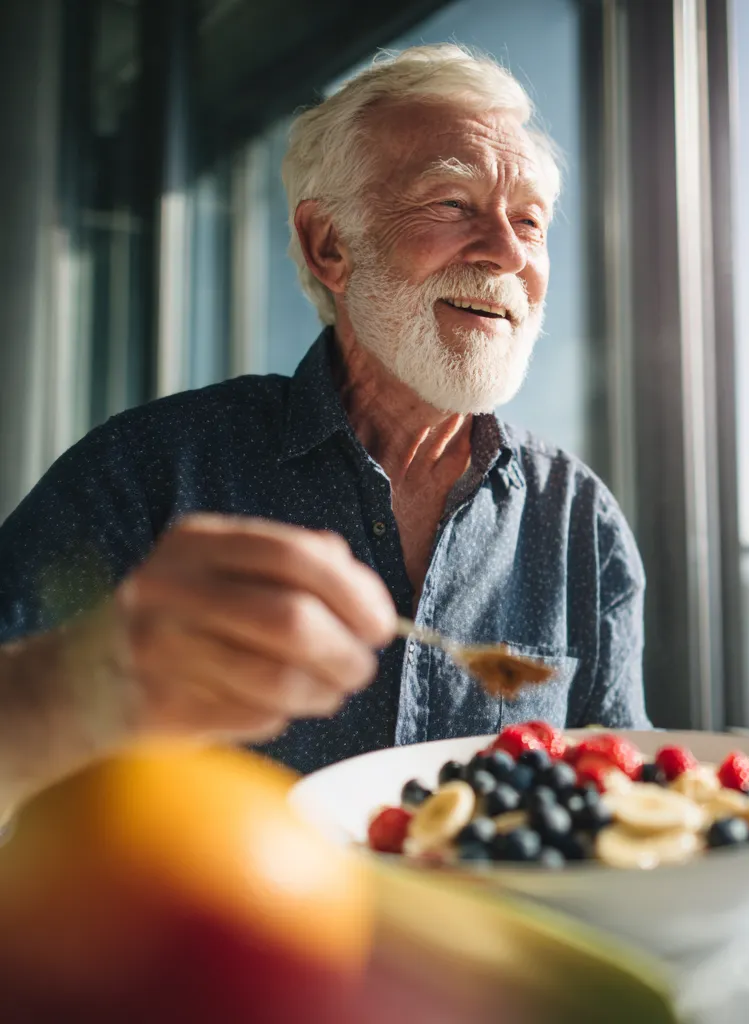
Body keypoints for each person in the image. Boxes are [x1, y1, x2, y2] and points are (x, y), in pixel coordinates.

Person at [0, 44, 648, 811]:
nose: (509, 254)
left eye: (530, 223)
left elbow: (625, 803)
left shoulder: (579, 521)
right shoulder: (149, 468)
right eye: (451, 204)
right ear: (329, 246)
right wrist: (88, 682)